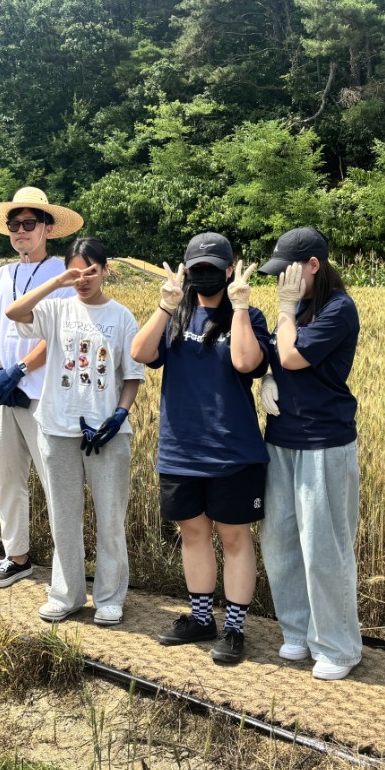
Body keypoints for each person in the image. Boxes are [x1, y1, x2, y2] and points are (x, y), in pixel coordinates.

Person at [131, 233, 270, 665]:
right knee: (192, 534)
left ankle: (234, 628)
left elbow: (247, 363)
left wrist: (242, 305)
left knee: (233, 537)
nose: (205, 273)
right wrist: (165, 305)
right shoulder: (176, 315)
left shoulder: (249, 316)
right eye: (197, 267)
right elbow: (139, 352)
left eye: (215, 266)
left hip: (234, 450)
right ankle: (200, 618)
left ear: (231, 269)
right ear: (186, 270)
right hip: (180, 448)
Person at [5, 237, 145, 625]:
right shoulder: (56, 309)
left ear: (105, 270)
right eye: (76, 271)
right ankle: (66, 594)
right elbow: (14, 312)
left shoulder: (122, 317)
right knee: (63, 516)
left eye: (91, 271)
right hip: (57, 428)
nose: (83, 279)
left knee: (110, 516)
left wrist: (119, 415)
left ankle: (110, 597)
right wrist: (55, 282)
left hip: (108, 434)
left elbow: (132, 376)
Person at [252, 227, 362, 681]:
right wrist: (266, 379)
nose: (281, 283)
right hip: (281, 437)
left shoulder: (338, 308)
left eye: (288, 273)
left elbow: (293, 356)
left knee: (324, 546)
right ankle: (298, 631)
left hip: (324, 439)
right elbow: (273, 358)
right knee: (280, 540)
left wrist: (282, 313)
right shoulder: (295, 306)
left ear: (313, 265)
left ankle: (338, 646)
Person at [0, 186, 83, 589]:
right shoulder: (0, 275)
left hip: (43, 392)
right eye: (14, 225)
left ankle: (66, 566)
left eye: (29, 223)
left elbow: (61, 333)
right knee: (7, 477)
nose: (21, 231)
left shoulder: (63, 274)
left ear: (48, 228)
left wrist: (19, 370)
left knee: (54, 479)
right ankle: (15, 556)